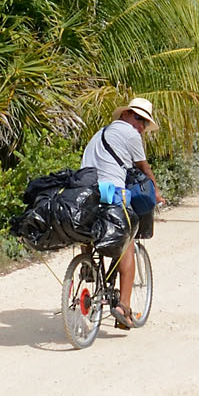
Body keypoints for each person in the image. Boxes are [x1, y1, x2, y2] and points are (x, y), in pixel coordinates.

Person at [80, 97, 162, 328]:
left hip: (85, 192)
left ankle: (88, 265)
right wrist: (155, 192)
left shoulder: (99, 134)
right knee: (127, 241)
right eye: (138, 118)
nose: (141, 125)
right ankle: (123, 307)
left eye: (144, 122)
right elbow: (143, 169)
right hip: (112, 193)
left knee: (88, 228)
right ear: (125, 115)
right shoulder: (131, 134)